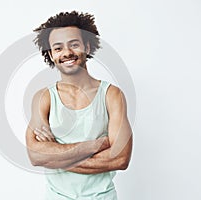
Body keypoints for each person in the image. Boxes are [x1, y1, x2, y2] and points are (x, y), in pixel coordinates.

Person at [25, 11, 133, 200]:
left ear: (88, 46)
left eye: (74, 45)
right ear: (50, 55)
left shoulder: (111, 95)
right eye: (58, 48)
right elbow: (36, 156)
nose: (67, 53)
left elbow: (120, 158)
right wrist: (94, 146)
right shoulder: (44, 98)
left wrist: (55, 156)